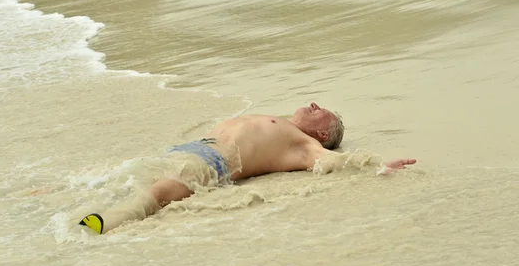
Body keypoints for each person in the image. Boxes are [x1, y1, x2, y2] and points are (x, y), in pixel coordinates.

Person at [79, 102, 416, 234]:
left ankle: (102, 224)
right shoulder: (283, 122)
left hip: (217, 162)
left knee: (160, 191)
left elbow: (332, 162)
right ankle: (74, 196)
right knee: (126, 177)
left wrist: (377, 167)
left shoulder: (304, 144)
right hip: (192, 149)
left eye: (321, 111)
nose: (313, 104)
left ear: (324, 132)